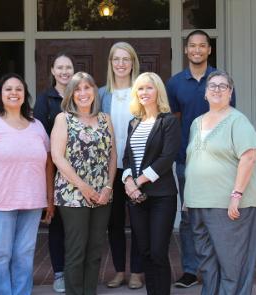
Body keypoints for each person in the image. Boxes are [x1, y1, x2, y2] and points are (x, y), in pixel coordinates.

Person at [0, 73, 54, 295]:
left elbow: (48, 164)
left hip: (31, 201)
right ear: (0, 94)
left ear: (25, 95)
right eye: (8, 89)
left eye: (18, 89)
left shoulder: (36, 126)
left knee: (24, 253)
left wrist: (49, 199)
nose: (14, 93)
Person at [166, 29, 236, 288]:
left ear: (209, 50)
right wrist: (176, 155)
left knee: (217, 214)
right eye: (192, 46)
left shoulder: (221, 80)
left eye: (202, 46)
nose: (197, 50)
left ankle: (217, 268)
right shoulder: (174, 83)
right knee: (188, 217)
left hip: (218, 161)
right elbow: (173, 123)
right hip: (187, 161)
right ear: (186, 50)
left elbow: (230, 119)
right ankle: (190, 269)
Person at [184, 70, 256, 295]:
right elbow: (193, 161)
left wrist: (236, 195)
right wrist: (188, 198)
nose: (217, 89)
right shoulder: (196, 123)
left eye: (223, 86)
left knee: (232, 265)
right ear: (205, 94)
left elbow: (249, 158)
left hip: (229, 205)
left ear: (230, 92)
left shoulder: (238, 121)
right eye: (212, 86)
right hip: (199, 204)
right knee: (207, 264)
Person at [51, 71, 117, 295]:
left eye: (87, 88)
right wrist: (83, 187)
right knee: (76, 250)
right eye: (77, 89)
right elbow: (57, 157)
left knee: (96, 249)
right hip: (72, 194)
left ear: (94, 91)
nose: (83, 93)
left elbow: (112, 155)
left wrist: (108, 187)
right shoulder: (63, 119)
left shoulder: (105, 119)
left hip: (102, 194)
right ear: (71, 93)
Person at [122, 72, 181, 295]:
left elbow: (167, 158)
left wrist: (137, 181)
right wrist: (128, 181)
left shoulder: (168, 121)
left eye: (149, 88)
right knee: (145, 251)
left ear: (158, 91)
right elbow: (127, 157)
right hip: (136, 198)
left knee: (158, 252)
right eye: (140, 88)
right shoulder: (133, 123)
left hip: (161, 197)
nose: (144, 92)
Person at [99, 41, 143, 289]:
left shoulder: (143, 91)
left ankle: (137, 271)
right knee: (113, 221)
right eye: (116, 59)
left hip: (136, 165)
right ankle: (118, 270)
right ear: (111, 63)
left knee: (137, 219)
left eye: (126, 59)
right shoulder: (101, 93)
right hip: (110, 167)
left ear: (133, 63)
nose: (121, 64)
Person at [34, 52, 74, 293]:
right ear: (52, 71)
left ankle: (76, 270)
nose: (64, 72)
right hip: (54, 167)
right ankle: (59, 273)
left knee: (77, 225)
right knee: (58, 223)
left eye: (68, 67)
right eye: (59, 67)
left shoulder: (81, 95)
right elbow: (39, 135)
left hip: (81, 169)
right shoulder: (44, 99)